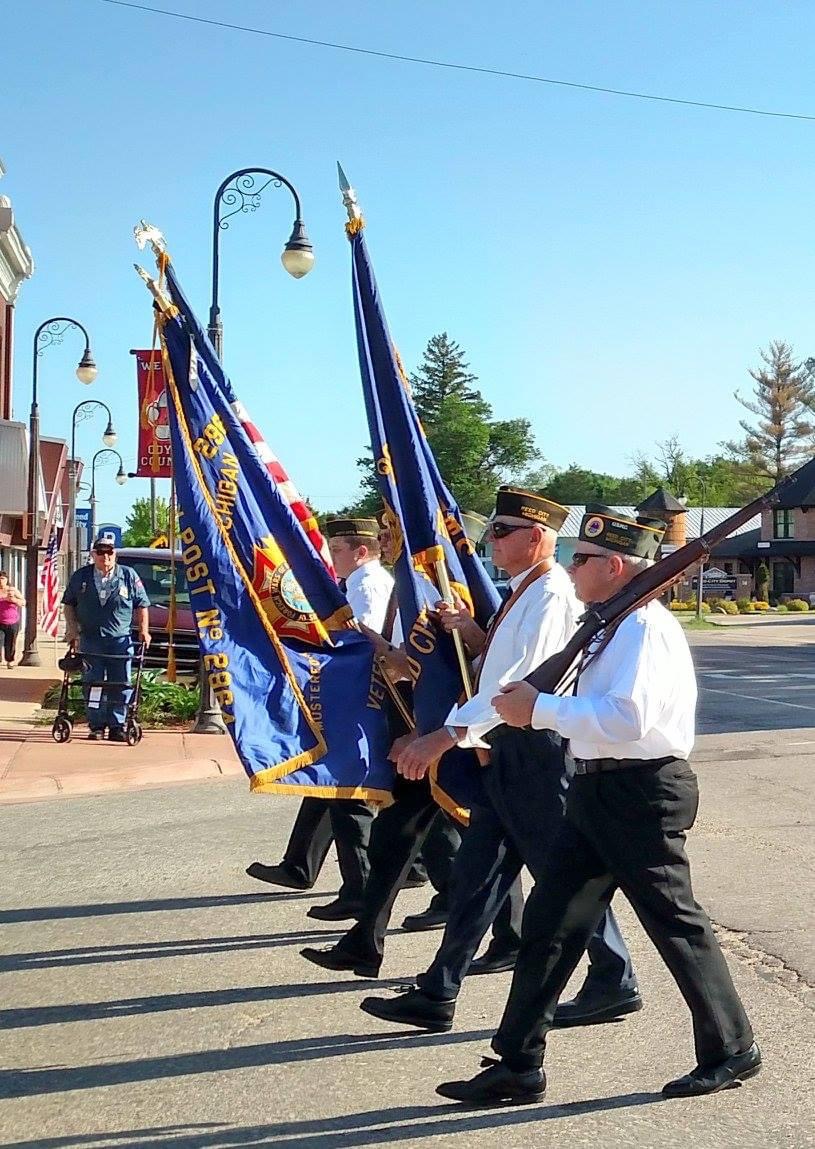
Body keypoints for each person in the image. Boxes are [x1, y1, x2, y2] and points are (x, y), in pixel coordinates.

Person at [436, 506, 759, 1105]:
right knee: (549, 925)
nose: (571, 568)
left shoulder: (643, 628)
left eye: (580, 560)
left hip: (640, 791)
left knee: (675, 926)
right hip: (594, 788)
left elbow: (628, 719)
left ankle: (731, 1049)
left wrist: (540, 711)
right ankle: (518, 1064)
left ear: (615, 565)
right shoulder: (609, 625)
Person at [305, 487, 636, 1016]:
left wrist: (446, 734)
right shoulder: (524, 591)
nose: (491, 541)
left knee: (559, 869)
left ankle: (614, 975)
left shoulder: (549, 593)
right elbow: (494, 668)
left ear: (538, 537)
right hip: (506, 747)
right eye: (492, 532)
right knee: (479, 873)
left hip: (534, 750)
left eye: (502, 532)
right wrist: (469, 634)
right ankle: (439, 989)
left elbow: (518, 684)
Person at [247, 518, 395, 921]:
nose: (331, 558)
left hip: (358, 697)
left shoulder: (367, 585)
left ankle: (363, 890)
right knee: (326, 779)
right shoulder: (360, 582)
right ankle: (300, 864)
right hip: (349, 697)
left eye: (337, 550)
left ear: (360, 552)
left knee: (350, 794)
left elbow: (359, 640)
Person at [61, 537, 151, 741]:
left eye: (109, 552)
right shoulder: (81, 577)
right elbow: (69, 604)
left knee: (121, 683)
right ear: (93, 554)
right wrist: (72, 630)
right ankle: (96, 725)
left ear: (115, 554)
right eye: (100, 552)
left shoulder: (128, 575)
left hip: (120, 640)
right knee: (94, 683)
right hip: (91, 640)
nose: (105, 556)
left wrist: (144, 631)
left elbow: (142, 605)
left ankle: (117, 725)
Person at [0, 571, 24, 669]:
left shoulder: (12, 590)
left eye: (2, 579)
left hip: (12, 621)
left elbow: (23, 602)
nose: (1, 581)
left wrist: (13, 600)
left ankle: (10, 660)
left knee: (10, 642)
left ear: (6, 580)